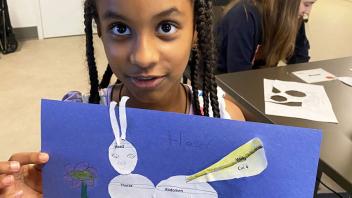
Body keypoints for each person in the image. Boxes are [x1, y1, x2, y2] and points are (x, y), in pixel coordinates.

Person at [0, 0, 245, 196]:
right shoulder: (77, 125)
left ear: (195, 30)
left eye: (166, 26)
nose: (143, 57)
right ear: (99, 30)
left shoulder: (225, 121)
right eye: (120, 28)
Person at [216, 0, 317, 73]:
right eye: (306, 4)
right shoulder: (244, 16)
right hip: (220, 87)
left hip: (255, 82)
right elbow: (238, 75)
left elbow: (300, 59)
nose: (308, 12)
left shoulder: (292, 19)